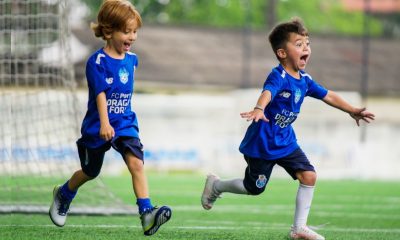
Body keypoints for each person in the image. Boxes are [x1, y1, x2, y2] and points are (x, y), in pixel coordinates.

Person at [201, 18, 375, 240]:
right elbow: (268, 92)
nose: (306, 48)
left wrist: (351, 110)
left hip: (285, 142)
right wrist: (258, 108)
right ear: (282, 53)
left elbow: (328, 95)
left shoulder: (305, 80)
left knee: (309, 176)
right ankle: (216, 186)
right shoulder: (278, 76)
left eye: (307, 44)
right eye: (299, 44)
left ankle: (298, 229)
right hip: (262, 144)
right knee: (254, 188)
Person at [49, 0, 171, 236]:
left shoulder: (132, 60)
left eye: (135, 31)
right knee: (90, 172)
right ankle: (64, 194)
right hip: (98, 126)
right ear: (108, 31)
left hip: (125, 124)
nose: (132, 36)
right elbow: (101, 95)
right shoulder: (97, 62)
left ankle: (146, 213)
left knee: (136, 163)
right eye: (126, 31)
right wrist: (104, 123)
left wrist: (118, 121)